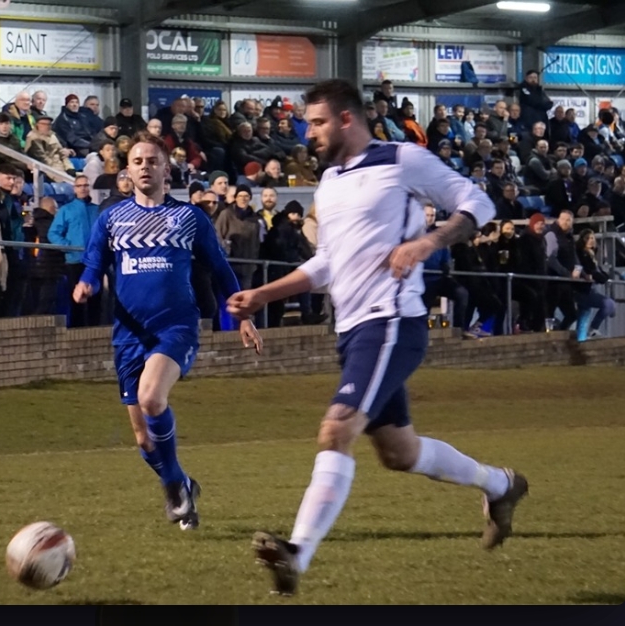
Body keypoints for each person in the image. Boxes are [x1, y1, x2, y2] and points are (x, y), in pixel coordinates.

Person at [226, 80, 529, 596]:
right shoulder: (329, 182)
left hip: (390, 322)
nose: (308, 133)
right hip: (352, 331)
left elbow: (477, 202)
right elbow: (327, 263)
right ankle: (501, 484)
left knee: (336, 429)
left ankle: (297, 554)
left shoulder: (402, 159)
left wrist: (427, 243)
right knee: (399, 452)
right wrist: (262, 295)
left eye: (317, 122)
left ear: (347, 119)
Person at [72, 131, 262, 531]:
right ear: (127, 171)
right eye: (138, 161)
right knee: (144, 440)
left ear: (166, 170)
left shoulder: (189, 218)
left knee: (152, 397)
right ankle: (182, 483)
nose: (145, 167)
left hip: (176, 327)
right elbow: (94, 262)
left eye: (152, 161)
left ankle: (174, 488)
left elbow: (220, 268)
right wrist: (87, 283)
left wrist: (243, 315)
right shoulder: (111, 218)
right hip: (129, 334)